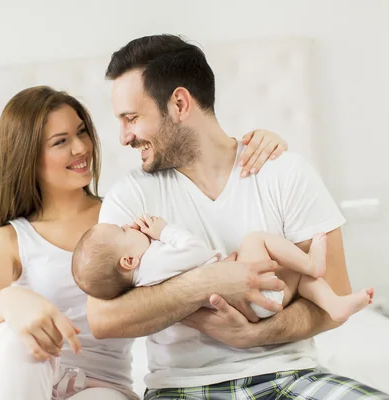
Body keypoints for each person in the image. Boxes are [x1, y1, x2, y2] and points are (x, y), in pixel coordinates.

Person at [85, 34, 389, 400]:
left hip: (291, 377)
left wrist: (255, 335)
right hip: (183, 389)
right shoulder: (130, 197)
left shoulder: (284, 172)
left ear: (179, 103)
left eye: (131, 118)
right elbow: (103, 319)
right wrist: (208, 281)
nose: (123, 137)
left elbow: (337, 292)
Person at [0, 85, 286, 400]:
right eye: (61, 141)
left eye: (82, 131)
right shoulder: (11, 239)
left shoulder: (124, 215)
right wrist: (8, 302)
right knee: (13, 336)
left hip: (100, 386)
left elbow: (199, 216)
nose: (81, 148)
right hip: (28, 377)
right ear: (26, 155)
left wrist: (257, 145)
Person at [72, 214, 374, 321]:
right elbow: (195, 251)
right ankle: (312, 262)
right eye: (123, 231)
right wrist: (164, 231)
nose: (129, 226)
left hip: (250, 306)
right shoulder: (154, 261)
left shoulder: (146, 278)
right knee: (255, 240)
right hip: (248, 300)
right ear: (128, 261)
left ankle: (333, 304)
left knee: (289, 272)